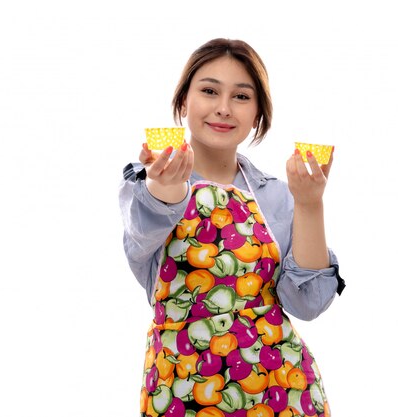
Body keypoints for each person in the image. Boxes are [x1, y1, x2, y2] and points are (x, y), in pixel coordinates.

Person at [119, 38, 345, 417]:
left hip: (282, 389)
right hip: (182, 388)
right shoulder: (149, 182)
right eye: (209, 91)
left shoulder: (275, 196)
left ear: (258, 113)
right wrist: (168, 185)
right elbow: (144, 233)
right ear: (183, 102)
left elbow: (306, 304)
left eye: (242, 97)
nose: (223, 108)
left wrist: (309, 203)